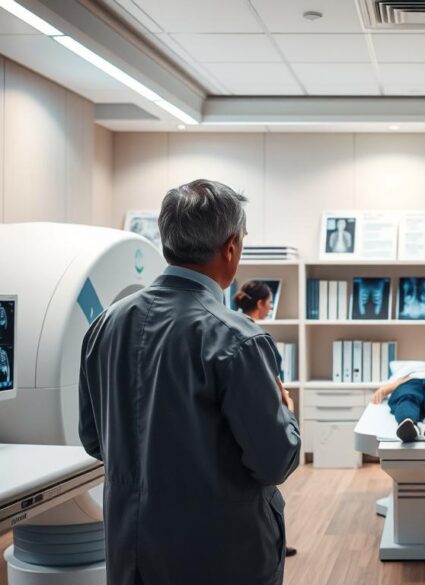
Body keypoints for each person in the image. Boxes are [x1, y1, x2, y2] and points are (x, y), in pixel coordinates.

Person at [79, 179, 301, 585]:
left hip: (130, 553)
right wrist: (284, 410)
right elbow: (274, 460)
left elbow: (95, 440)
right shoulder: (238, 339)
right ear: (230, 248)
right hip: (221, 558)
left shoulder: (104, 326)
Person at [234, 281, 298, 558]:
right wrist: (287, 407)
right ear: (260, 303)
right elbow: (271, 377)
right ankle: (271, 543)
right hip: (263, 412)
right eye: (269, 301)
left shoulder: (237, 327)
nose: (271, 306)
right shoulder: (253, 336)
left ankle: (273, 542)